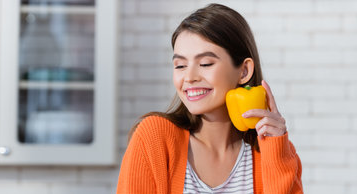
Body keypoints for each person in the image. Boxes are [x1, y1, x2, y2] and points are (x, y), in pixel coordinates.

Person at [116, 3, 303, 194]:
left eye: (205, 63)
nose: (189, 77)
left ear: (244, 71)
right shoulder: (154, 137)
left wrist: (277, 153)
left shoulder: (274, 152)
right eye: (180, 66)